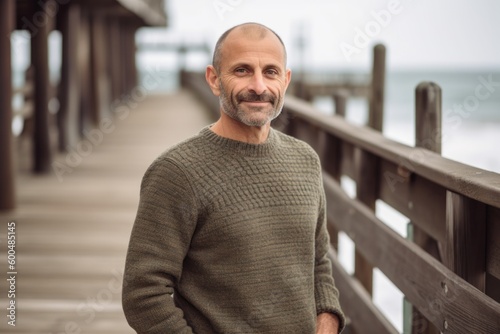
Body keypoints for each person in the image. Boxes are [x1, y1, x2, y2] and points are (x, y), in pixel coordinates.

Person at [122, 22, 345, 333]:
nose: (259, 86)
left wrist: (327, 322)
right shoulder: (177, 172)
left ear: (286, 79)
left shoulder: (305, 159)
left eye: (270, 71)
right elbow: (143, 293)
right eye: (242, 70)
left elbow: (319, 260)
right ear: (214, 79)